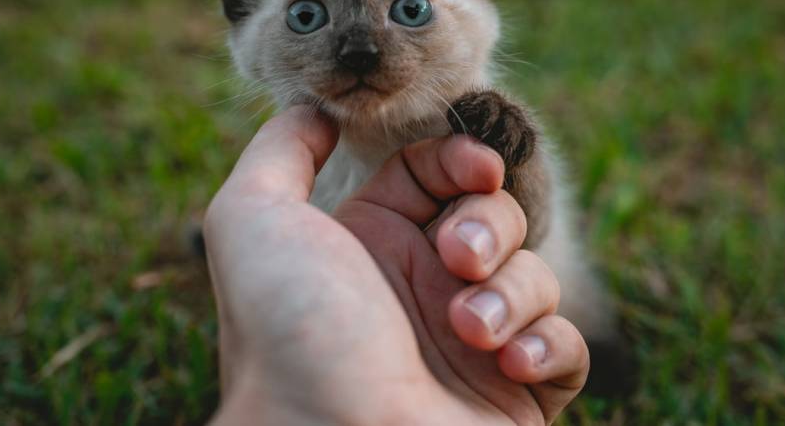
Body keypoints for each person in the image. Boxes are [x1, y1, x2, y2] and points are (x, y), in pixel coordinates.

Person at [203, 107, 590, 425]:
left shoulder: (470, 119)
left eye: (412, 8)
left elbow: (533, 230)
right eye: (306, 17)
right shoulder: (299, 172)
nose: (361, 49)